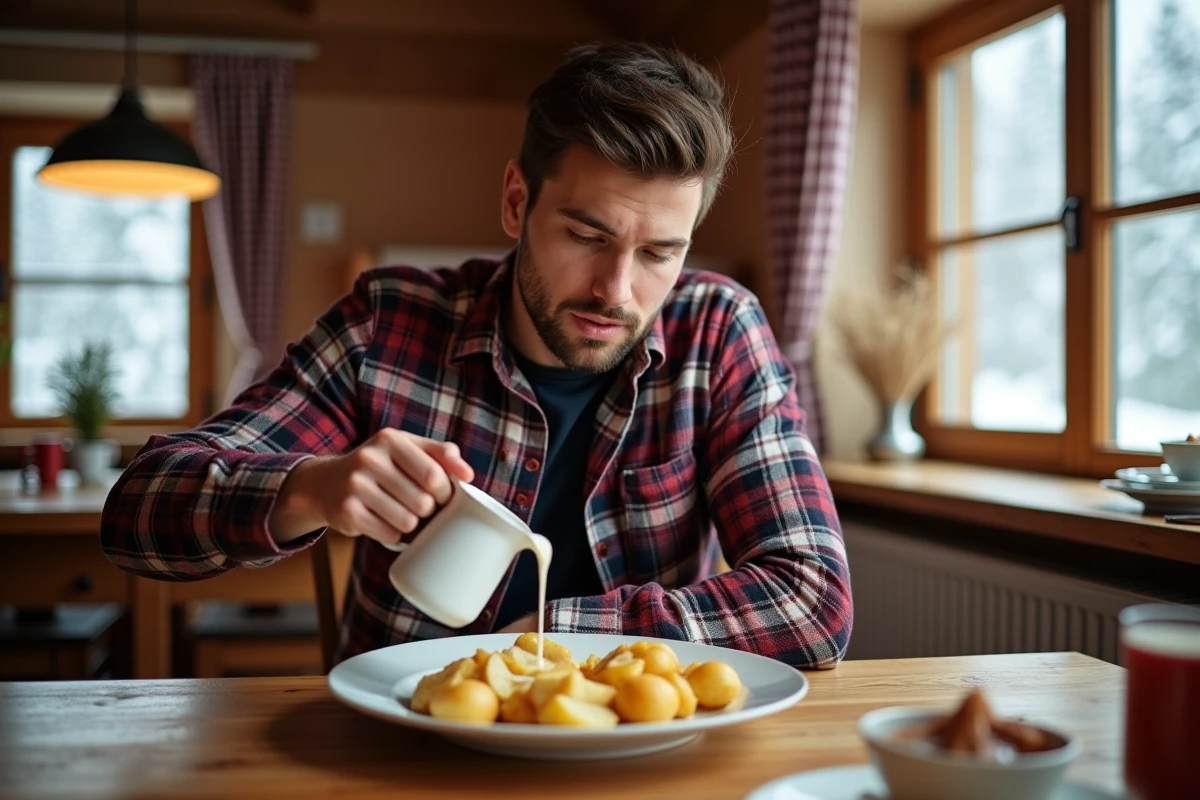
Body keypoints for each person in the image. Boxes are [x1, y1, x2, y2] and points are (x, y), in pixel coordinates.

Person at [100, 42, 852, 669]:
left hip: (642, 748)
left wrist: (555, 633)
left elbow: (813, 602)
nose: (617, 291)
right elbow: (137, 515)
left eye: (660, 252)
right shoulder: (387, 325)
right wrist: (311, 489)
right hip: (404, 751)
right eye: (587, 237)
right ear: (517, 202)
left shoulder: (718, 332)